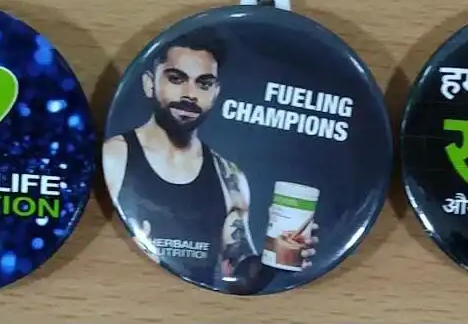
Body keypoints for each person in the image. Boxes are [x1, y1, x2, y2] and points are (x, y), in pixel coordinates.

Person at [102, 31, 316, 293]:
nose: (190, 94)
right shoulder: (115, 157)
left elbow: (239, 276)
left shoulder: (230, 177)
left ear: (215, 93)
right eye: (176, 79)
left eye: (203, 84)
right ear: (149, 83)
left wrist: (276, 260)